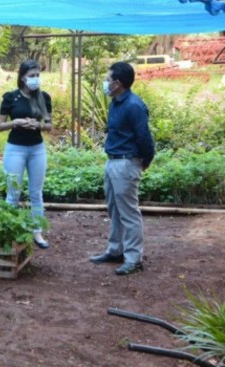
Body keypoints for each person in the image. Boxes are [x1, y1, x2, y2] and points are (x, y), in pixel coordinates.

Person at [89, 61, 155, 275]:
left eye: (108, 80)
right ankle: (115, 250)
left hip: (126, 162)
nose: (105, 84)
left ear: (118, 83)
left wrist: (144, 161)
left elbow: (145, 138)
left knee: (129, 212)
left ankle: (134, 258)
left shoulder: (134, 106)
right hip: (113, 161)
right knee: (115, 210)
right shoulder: (115, 103)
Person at [0, 60, 52, 249]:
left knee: (36, 192)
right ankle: (9, 230)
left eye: (37, 75)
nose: (35, 79)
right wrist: (17, 122)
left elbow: (49, 125)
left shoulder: (43, 97)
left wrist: (38, 125)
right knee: (13, 192)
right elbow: (0, 126)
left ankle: (37, 231)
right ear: (22, 77)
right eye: (32, 76)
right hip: (15, 149)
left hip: (37, 149)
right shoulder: (11, 98)